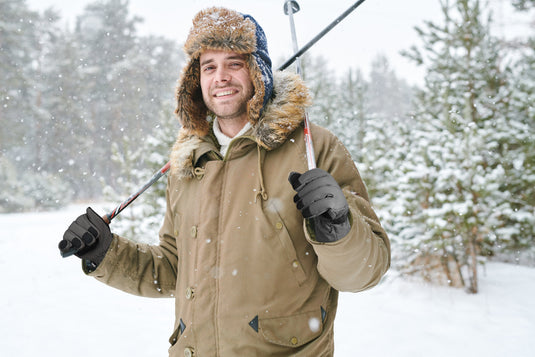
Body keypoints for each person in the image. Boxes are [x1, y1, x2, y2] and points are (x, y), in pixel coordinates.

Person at [59, 7, 390, 357]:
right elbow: (173, 269)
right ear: (196, 80)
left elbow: (364, 273)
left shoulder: (313, 148)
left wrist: (339, 230)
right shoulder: (188, 164)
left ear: (258, 72)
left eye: (235, 63)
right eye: (209, 67)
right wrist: (106, 254)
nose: (221, 77)